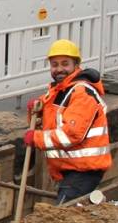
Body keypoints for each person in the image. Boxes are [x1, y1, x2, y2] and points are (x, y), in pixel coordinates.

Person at [24, 39, 111, 205]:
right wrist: (34, 110)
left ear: (76, 65)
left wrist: (36, 138)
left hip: (84, 170)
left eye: (65, 64)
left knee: (62, 213)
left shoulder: (81, 93)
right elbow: (40, 123)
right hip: (68, 168)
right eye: (54, 64)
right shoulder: (57, 91)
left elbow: (71, 135)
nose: (59, 69)